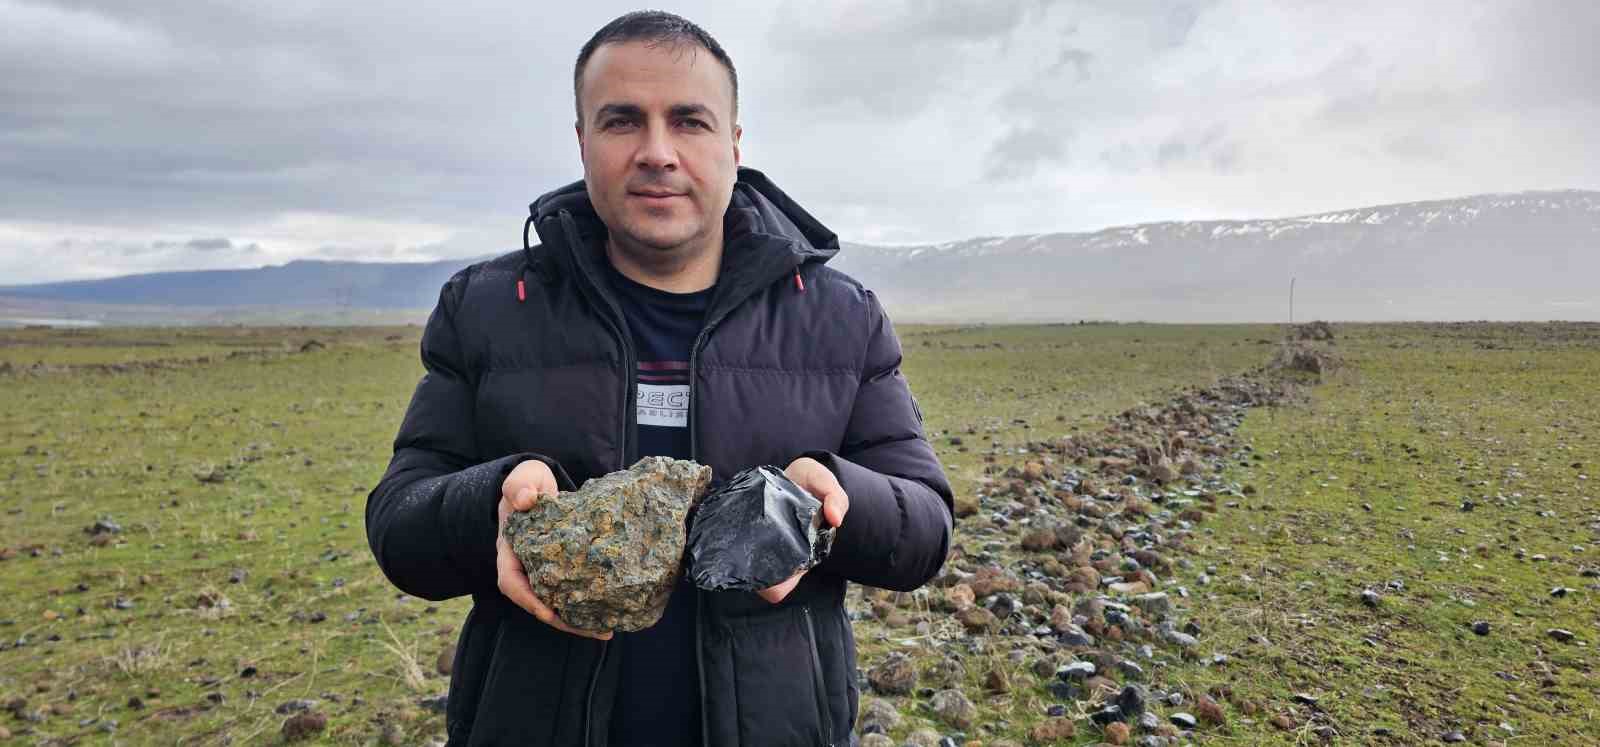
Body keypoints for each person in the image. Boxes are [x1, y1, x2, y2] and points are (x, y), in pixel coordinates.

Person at [365, 10, 952, 747]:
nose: (656, 152)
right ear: (582, 142)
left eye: (689, 121)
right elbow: (398, 521)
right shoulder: (487, 310)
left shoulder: (838, 319)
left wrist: (836, 499)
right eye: (621, 122)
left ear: (734, 142)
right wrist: (493, 507)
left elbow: (926, 526)